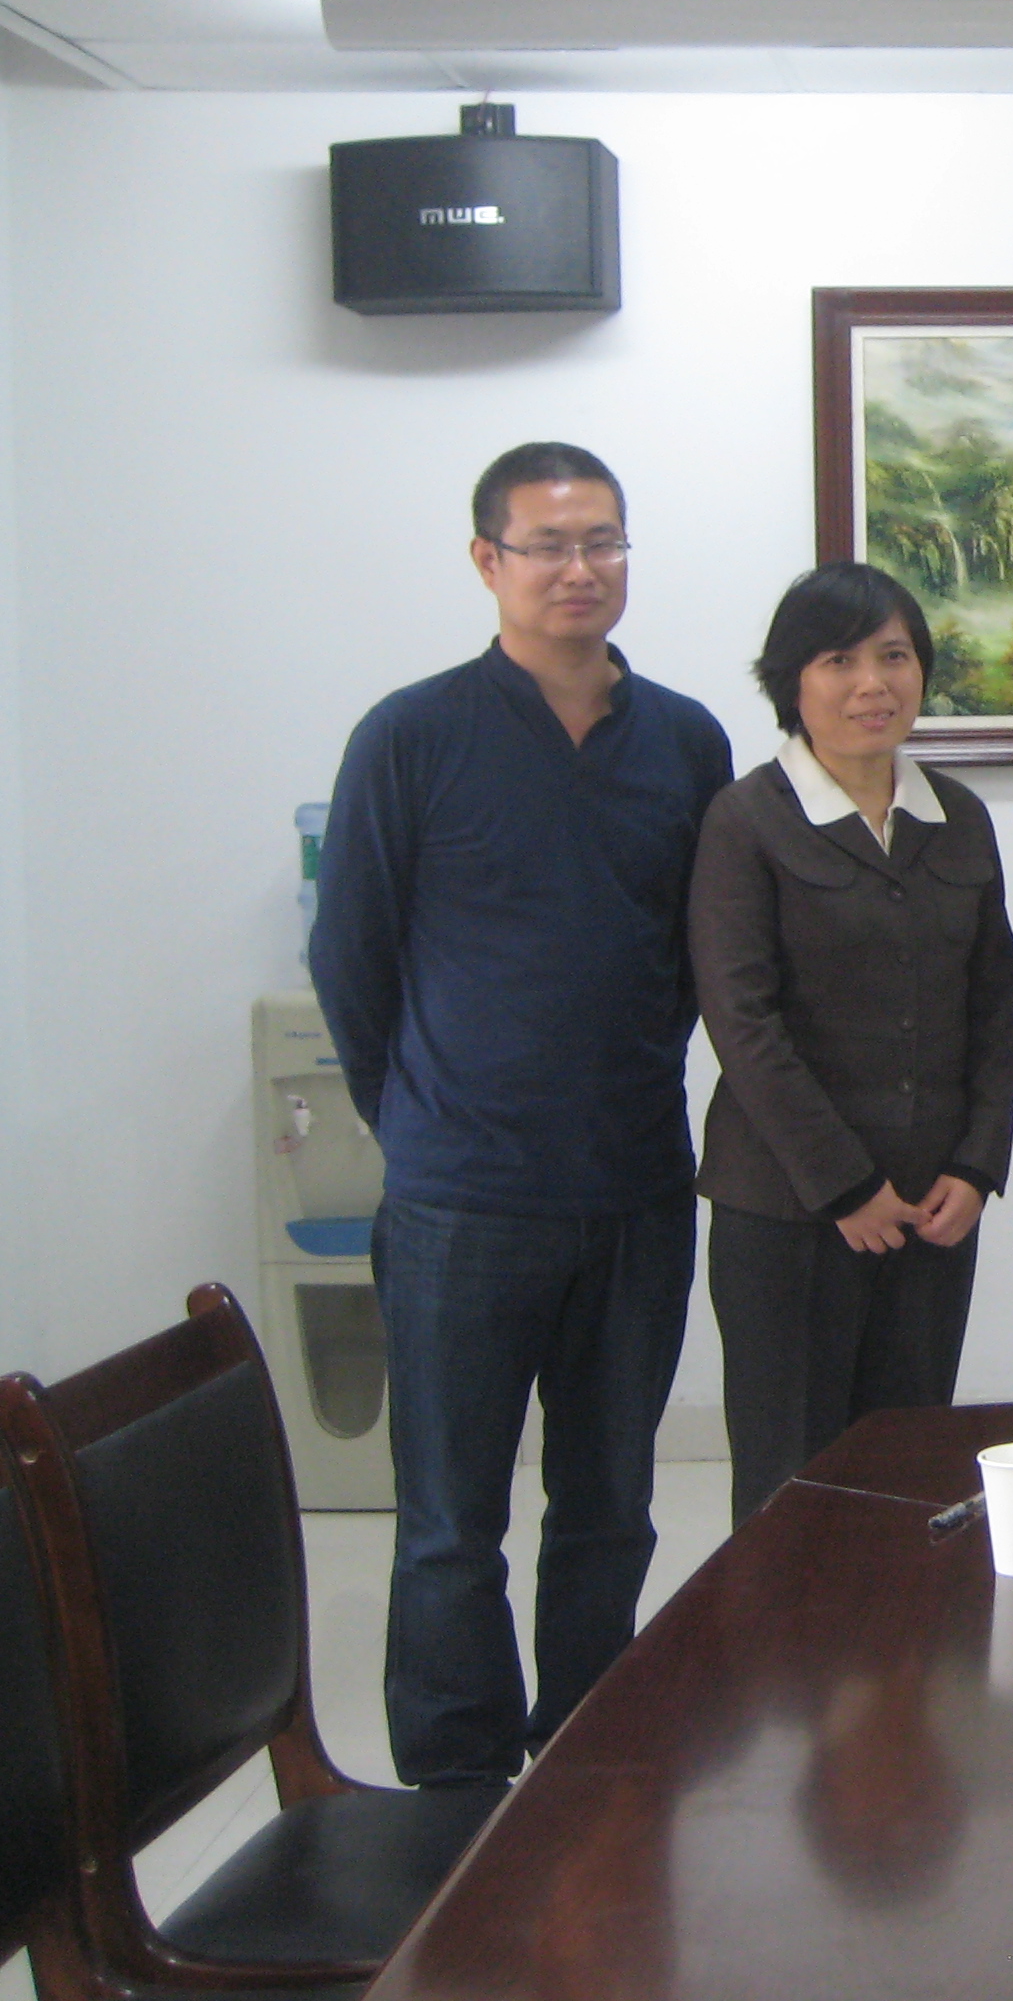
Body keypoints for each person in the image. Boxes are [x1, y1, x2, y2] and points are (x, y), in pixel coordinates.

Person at [310, 440, 731, 1786]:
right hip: (461, 1202)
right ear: (487, 560)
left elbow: (695, 957)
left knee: (611, 1509)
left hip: (636, 1188)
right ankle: (454, 1786)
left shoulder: (685, 740)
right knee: (450, 1524)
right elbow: (350, 957)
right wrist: (417, 1119)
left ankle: (587, 1768)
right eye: (548, 544)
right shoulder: (411, 735)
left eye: (603, 541)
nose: (579, 568)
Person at [689, 562, 1013, 1526]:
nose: (873, 683)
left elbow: (994, 1008)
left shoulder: (956, 818)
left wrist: (977, 1165)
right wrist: (843, 1186)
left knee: (912, 1471)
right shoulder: (746, 820)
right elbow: (743, 1023)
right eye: (839, 661)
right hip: (789, 1212)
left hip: (931, 1210)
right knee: (792, 1484)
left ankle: (902, 1635)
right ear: (790, 681)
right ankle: (785, 1637)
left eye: (895, 656)